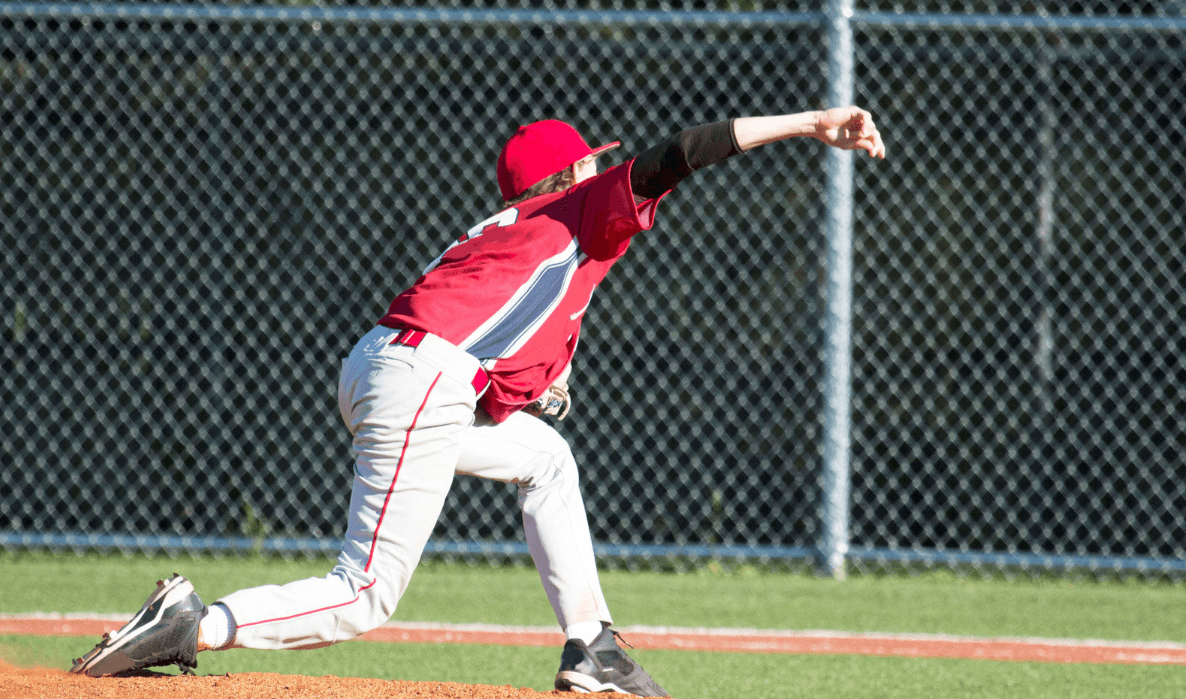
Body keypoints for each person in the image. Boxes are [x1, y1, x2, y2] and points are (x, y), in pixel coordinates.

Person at [71, 106, 885, 695]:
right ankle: (196, 622)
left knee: (545, 460)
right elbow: (676, 153)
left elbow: (488, 355)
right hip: (420, 377)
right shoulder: (577, 209)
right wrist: (812, 123)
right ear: (564, 180)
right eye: (589, 164)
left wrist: (531, 380)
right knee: (365, 592)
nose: (604, 172)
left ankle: (592, 646)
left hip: (384, 369)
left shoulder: (505, 228)